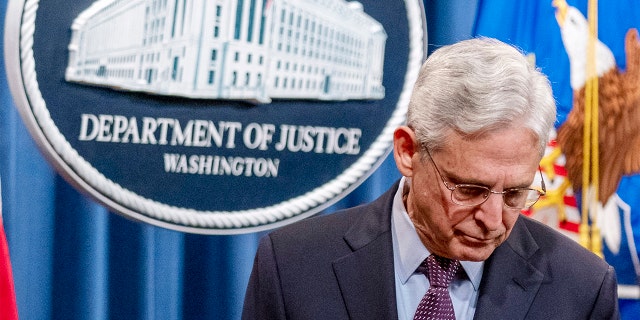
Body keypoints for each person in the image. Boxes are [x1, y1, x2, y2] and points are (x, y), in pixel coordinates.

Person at [242, 37, 619, 320]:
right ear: (408, 151)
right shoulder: (293, 266)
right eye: (470, 189)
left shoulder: (582, 289)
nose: (493, 219)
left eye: (516, 193)